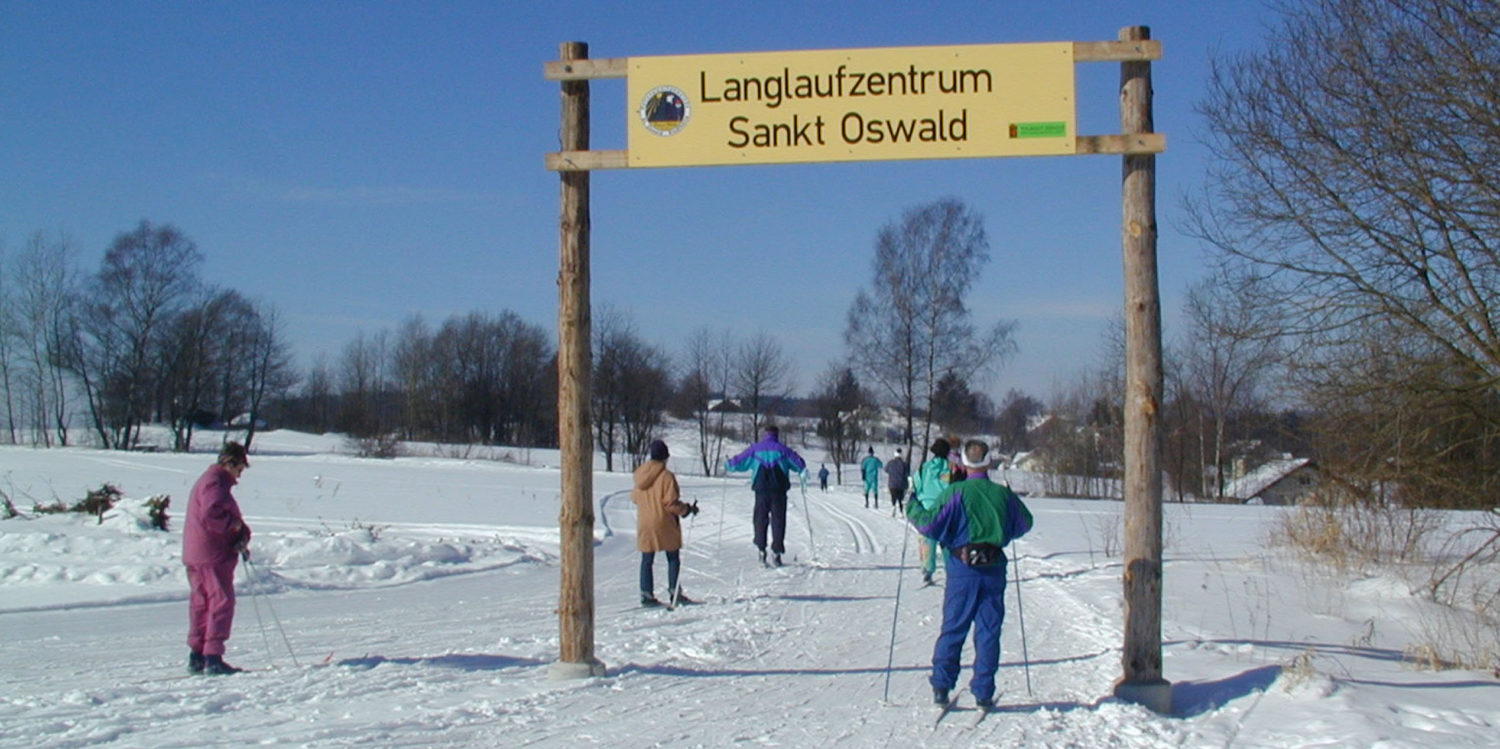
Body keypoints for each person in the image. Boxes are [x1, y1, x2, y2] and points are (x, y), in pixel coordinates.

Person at [906, 438, 1033, 710]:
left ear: (963, 462)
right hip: (994, 568)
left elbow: (929, 525)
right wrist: (1003, 531)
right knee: (989, 630)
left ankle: (942, 685)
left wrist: (912, 505)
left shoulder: (956, 493)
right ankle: (983, 690)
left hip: (962, 568)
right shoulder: (1002, 494)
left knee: (954, 626)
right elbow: (1025, 522)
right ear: (988, 462)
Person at [183, 441, 253, 675]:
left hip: (196, 552)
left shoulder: (208, 480)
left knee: (201, 603)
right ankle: (212, 656)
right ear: (229, 463)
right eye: (240, 469)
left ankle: (198, 655)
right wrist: (234, 528)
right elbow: (212, 511)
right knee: (221, 602)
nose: (239, 475)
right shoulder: (216, 481)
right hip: (212, 553)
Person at [726, 424, 807, 567]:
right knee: (778, 522)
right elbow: (800, 464)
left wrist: (729, 464)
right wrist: (802, 472)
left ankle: (761, 549)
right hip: (779, 492)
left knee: (760, 520)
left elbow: (739, 462)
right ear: (777, 434)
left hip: (761, 491)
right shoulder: (784, 450)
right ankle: (776, 552)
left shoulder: (755, 449)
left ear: (765, 434)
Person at [633, 439, 699, 607]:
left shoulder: (640, 474)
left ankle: (646, 594)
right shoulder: (666, 476)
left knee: (647, 558)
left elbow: (634, 497)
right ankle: (674, 592)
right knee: (672, 557)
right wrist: (687, 510)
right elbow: (670, 504)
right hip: (663, 522)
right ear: (664, 457)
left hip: (644, 521)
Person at [910, 438, 954, 585]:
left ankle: (927, 571)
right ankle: (952, 570)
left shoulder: (923, 468)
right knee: (948, 542)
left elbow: (916, 487)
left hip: (926, 509)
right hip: (947, 510)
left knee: (927, 540)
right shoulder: (952, 468)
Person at [885, 448, 909, 515]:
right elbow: (907, 474)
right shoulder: (904, 464)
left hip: (892, 484)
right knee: (900, 498)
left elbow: (886, 470)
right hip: (901, 484)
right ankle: (901, 511)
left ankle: (893, 507)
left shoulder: (890, 463)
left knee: (893, 497)